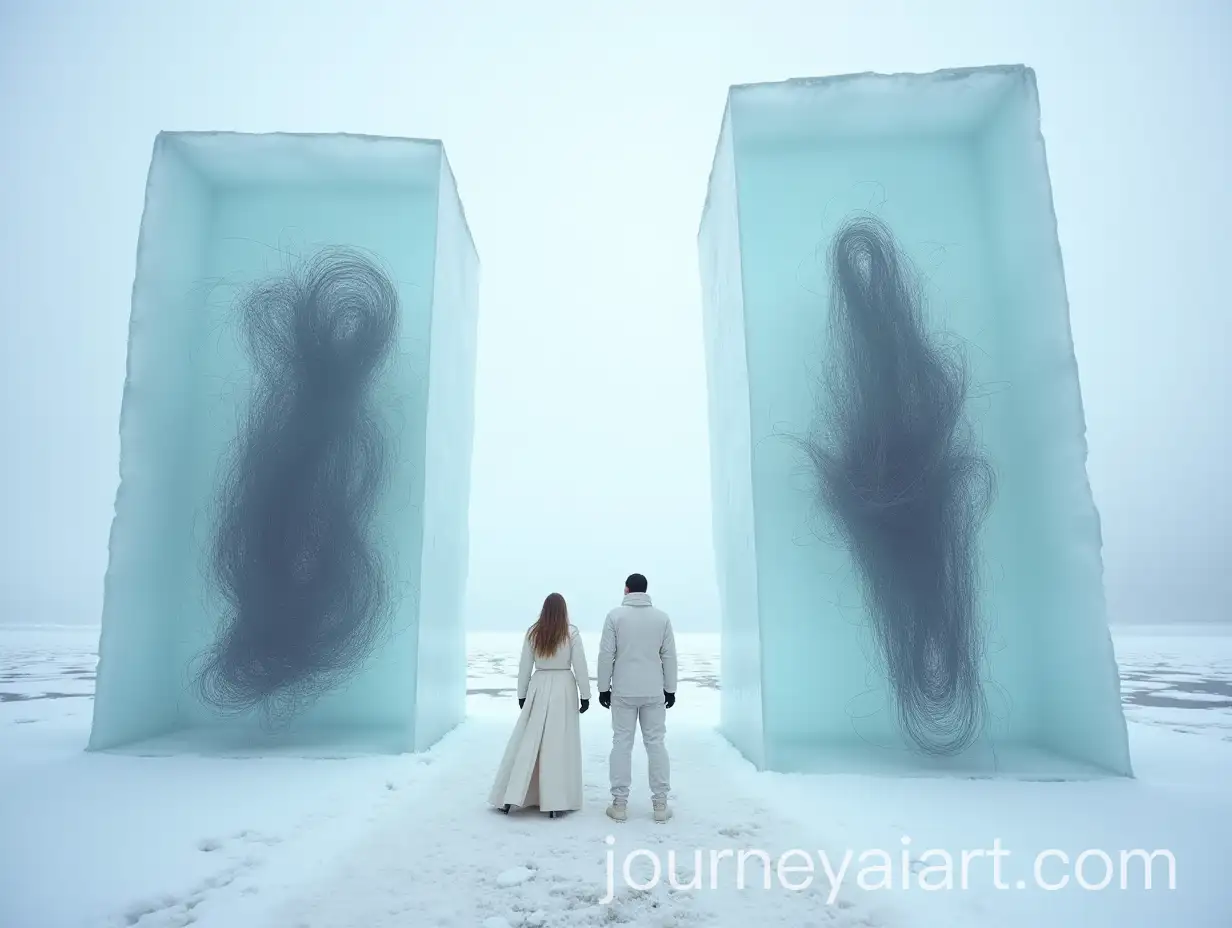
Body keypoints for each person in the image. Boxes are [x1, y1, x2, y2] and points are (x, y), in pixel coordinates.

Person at [489, 592, 591, 818]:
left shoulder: (533, 633)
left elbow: (524, 666)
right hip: (563, 688)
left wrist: (522, 694)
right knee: (559, 744)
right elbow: (580, 666)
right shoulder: (571, 633)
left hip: (538, 684)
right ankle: (556, 800)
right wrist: (586, 694)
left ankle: (511, 795)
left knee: (527, 741)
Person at [596, 573, 678, 823]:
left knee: (621, 743)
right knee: (656, 743)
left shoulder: (615, 616)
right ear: (645, 590)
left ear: (626, 590)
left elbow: (605, 655)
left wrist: (603, 688)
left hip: (623, 691)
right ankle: (660, 805)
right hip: (654, 690)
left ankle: (619, 805)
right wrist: (670, 689)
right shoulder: (662, 618)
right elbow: (669, 656)